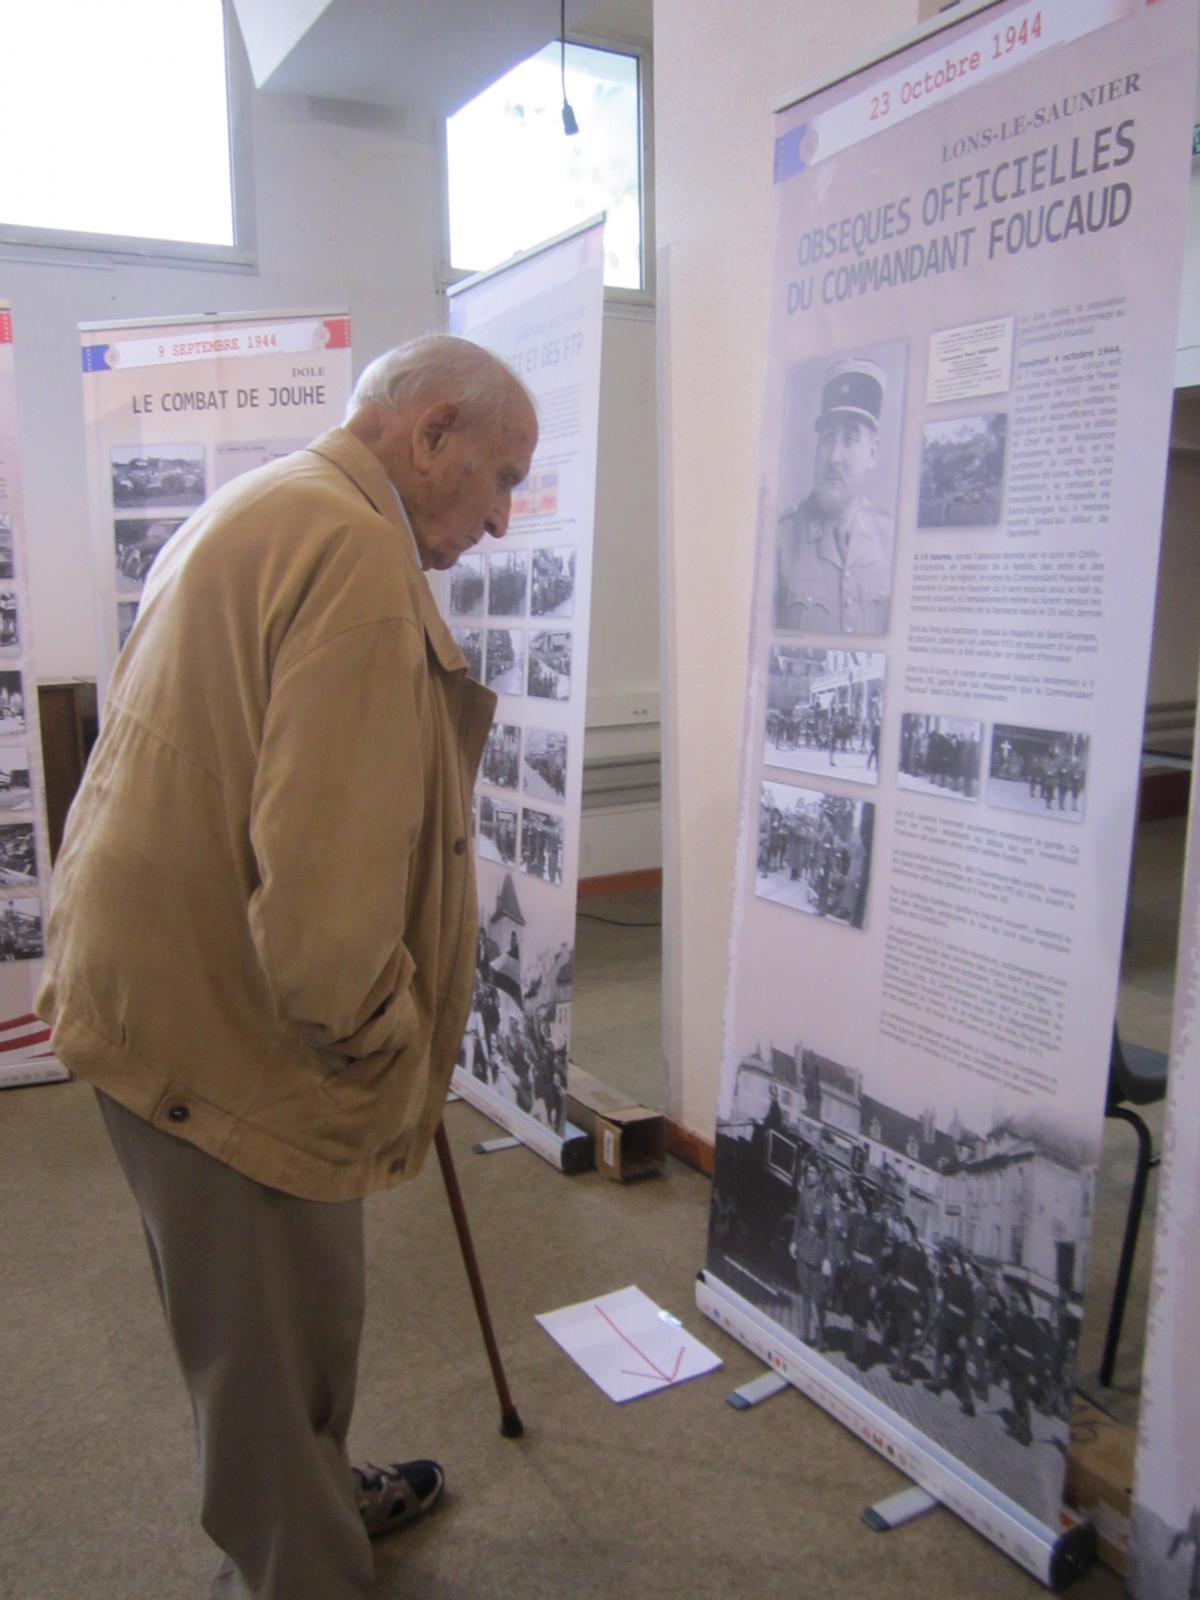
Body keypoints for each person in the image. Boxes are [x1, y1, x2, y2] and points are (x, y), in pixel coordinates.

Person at [35, 334, 538, 1600]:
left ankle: (316, 1496)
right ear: (432, 435)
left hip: (160, 987)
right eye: (499, 475)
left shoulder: (266, 501)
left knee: (283, 1322)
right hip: (228, 1029)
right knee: (261, 1349)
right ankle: (296, 1562)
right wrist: (391, 1037)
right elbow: (322, 923)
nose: (501, 515)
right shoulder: (359, 562)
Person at [774, 357, 896, 636]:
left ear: (873, 453)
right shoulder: (779, 542)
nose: (834, 457)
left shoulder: (890, 541)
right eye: (828, 438)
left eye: (850, 438)